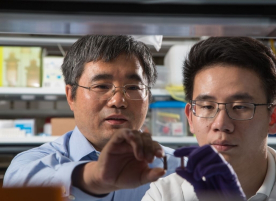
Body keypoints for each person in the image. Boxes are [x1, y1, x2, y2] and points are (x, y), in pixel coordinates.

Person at [3, 35, 181, 201]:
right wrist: (93, 176)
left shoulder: (177, 168)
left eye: (134, 87)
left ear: (148, 97)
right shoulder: (30, 163)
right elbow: (19, 184)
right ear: (71, 96)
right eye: (102, 86)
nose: (118, 101)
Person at [142, 37, 276, 201]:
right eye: (207, 106)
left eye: (240, 107)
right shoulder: (164, 195)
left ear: (274, 118)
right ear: (190, 117)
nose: (221, 124)